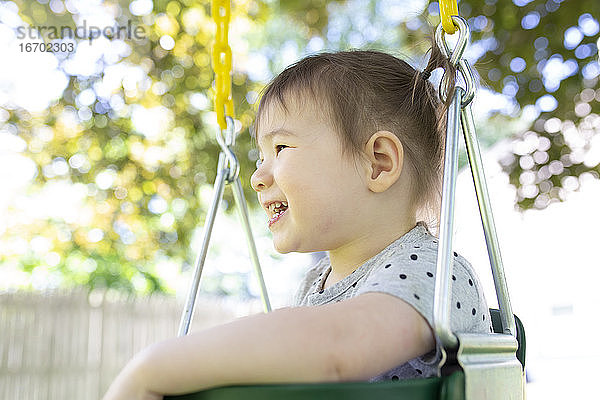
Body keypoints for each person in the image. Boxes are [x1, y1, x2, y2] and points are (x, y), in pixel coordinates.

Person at [102, 44, 491, 400]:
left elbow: (337, 346)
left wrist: (151, 368)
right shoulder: (316, 283)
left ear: (379, 163)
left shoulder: (434, 271)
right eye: (260, 157)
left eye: (281, 147)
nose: (256, 177)